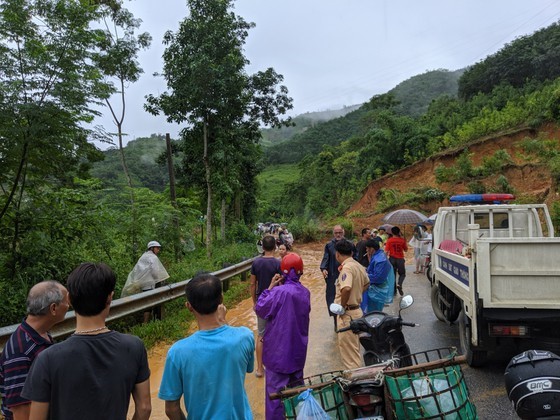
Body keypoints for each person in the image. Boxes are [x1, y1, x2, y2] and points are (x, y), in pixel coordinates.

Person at [21, 263, 151, 420]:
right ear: (110, 297)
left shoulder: (47, 359)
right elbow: (144, 408)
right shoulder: (134, 347)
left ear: (69, 298)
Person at [159, 273, 254, 419]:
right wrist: (223, 321)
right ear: (221, 299)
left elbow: (171, 409)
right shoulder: (244, 337)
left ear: (189, 306)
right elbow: (248, 368)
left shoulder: (177, 352)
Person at [0, 281, 69, 420]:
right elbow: (21, 415)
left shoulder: (41, 334)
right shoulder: (19, 352)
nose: (69, 305)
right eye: (66, 301)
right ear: (53, 308)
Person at [255, 253, 311, 420]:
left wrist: (270, 287)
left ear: (283, 271)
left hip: (277, 355)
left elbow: (260, 308)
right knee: (297, 393)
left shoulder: (278, 292)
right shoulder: (305, 293)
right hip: (297, 353)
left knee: (275, 397)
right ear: (300, 271)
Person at [334, 240, 369, 370]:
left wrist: (342, 307)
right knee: (354, 349)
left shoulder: (347, 268)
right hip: (357, 311)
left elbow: (346, 288)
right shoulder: (358, 265)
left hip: (348, 314)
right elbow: (367, 283)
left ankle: (355, 381)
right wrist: (357, 292)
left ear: (337, 254)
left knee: (349, 355)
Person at [250, 235, 281, 378]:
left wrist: (254, 302)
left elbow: (252, 284)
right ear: (275, 247)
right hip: (275, 303)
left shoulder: (256, 263)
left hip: (262, 304)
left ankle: (260, 369)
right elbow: (281, 284)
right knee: (275, 333)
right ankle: (275, 365)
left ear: (262, 247)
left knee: (261, 334)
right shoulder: (278, 263)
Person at [121, 240, 170, 323]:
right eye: (157, 248)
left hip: (143, 285)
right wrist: (158, 279)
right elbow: (155, 272)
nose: (158, 250)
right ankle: (152, 322)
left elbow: (137, 270)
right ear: (152, 248)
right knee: (153, 303)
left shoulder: (143, 256)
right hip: (151, 284)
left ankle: (146, 323)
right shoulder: (153, 257)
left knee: (147, 303)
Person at [320, 225, 346, 330]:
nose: (338, 234)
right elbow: (326, 258)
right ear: (333, 233)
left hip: (345, 275)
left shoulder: (348, 244)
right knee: (332, 298)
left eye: (340, 232)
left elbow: (355, 257)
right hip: (332, 276)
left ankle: (346, 320)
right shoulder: (329, 245)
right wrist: (323, 269)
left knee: (346, 295)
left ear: (343, 232)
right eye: (336, 233)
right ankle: (336, 321)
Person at [366, 240, 392, 311]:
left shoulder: (380, 259)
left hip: (377, 290)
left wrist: (365, 275)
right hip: (376, 289)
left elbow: (377, 277)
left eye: (367, 248)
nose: (366, 250)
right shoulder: (378, 256)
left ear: (372, 249)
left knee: (374, 313)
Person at [385, 226, 408, 296]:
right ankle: (399, 284)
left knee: (393, 275)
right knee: (402, 274)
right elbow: (406, 250)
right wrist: (404, 241)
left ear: (392, 232)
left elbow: (386, 251)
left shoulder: (389, 240)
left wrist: (385, 260)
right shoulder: (402, 240)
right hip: (400, 259)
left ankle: (394, 291)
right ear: (399, 232)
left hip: (392, 259)